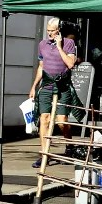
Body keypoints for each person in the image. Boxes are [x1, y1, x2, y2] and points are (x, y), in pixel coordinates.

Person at [29, 18, 79, 168]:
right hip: (46, 85)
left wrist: (59, 47)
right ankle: (45, 154)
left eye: (52, 31)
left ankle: (69, 145)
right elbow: (41, 66)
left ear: (59, 30)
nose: (49, 33)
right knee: (44, 119)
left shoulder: (69, 44)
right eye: (48, 31)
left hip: (63, 86)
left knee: (61, 121)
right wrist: (34, 86)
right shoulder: (42, 45)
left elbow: (70, 64)